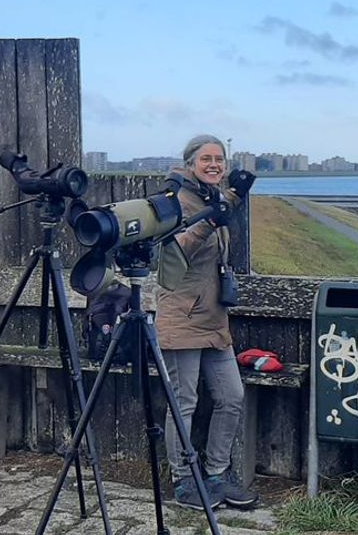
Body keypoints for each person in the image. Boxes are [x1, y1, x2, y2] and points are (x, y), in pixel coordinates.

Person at [156, 134, 259, 511]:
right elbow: (171, 254)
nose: (215, 164)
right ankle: (184, 481)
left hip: (214, 317)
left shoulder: (213, 198)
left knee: (231, 396)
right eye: (206, 159)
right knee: (183, 403)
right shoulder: (174, 202)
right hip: (181, 315)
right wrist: (208, 222)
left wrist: (228, 202)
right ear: (189, 164)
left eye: (220, 159)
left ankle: (216, 473)